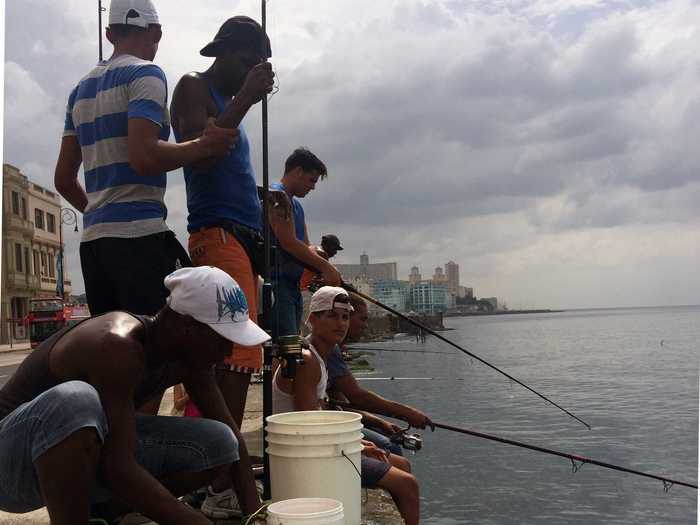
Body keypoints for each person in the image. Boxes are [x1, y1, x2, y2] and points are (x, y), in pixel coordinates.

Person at [53, 0, 238, 414]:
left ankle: (119, 458)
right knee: (151, 362)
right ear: (155, 33)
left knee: (115, 363)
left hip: (96, 246)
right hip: (138, 241)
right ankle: (141, 462)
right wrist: (202, 145)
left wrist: (99, 211)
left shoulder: (79, 90)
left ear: (109, 33)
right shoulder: (146, 74)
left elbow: (63, 179)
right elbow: (143, 156)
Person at [0, 266, 268, 524]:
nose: (228, 351)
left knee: (221, 443)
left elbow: (231, 435)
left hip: (75, 464)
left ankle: (103, 513)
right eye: (223, 339)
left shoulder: (189, 357)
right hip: (11, 466)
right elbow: (118, 467)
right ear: (188, 327)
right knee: (76, 401)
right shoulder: (117, 346)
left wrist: (255, 515)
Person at [169, 16, 276, 437]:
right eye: (249, 63)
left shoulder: (229, 103)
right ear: (225, 53)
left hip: (242, 236)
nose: (253, 74)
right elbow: (201, 152)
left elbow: (227, 163)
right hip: (218, 234)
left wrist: (259, 194)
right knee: (239, 352)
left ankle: (213, 462)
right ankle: (220, 473)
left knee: (231, 352)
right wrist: (248, 97)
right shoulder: (193, 86)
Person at [273, 287, 420, 525]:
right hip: (308, 453)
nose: (340, 323)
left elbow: (321, 412)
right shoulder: (308, 360)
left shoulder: (320, 356)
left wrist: (358, 443)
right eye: (331, 316)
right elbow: (310, 425)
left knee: (402, 464)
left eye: (344, 317)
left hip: (315, 445)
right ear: (312, 319)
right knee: (407, 484)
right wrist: (356, 446)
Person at [327, 293, 433, 430]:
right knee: (390, 446)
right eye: (363, 319)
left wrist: (381, 423)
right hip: (328, 424)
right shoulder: (330, 351)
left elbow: (342, 403)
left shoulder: (334, 350)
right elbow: (357, 396)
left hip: (335, 417)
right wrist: (407, 413)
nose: (365, 326)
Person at [269, 149, 342, 338]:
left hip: (293, 288)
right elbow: (289, 243)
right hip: (278, 285)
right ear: (298, 171)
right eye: (312, 180)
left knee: (294, 343)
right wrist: (326, 268)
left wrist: (323, 262)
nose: (313, 187)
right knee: (285, 347)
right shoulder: (276, 196)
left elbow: (305, 246)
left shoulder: (297, 207)